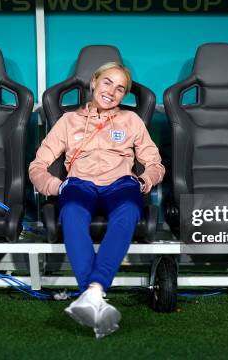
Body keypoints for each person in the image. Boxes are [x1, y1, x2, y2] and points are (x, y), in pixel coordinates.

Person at [29, 62, 165, 338]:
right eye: (107, 83)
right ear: (94, 82)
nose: (112, 92)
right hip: (81, 183)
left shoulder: (131, 121)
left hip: (121, 184)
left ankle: (92, 292)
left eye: (120, 89)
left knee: (128, 211)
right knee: (72, 213)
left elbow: (155, 164)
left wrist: (144, 180)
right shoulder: (68, 121)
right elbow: (37, 166)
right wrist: (56, 186)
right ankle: (93, 295)